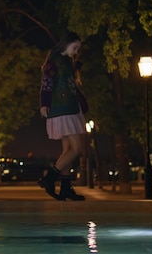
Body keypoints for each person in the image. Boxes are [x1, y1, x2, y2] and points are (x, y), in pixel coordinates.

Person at [37, 31, 87, 201]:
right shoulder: (54, 61)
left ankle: (66, 188)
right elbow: (46, 82)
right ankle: (49, 178)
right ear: (66, 43)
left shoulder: (67, 61)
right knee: (76, 149)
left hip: (70, 107)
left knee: (67, 150)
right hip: (62, 108)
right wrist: (44, 103)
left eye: (78, 48)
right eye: (75, 47)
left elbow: (69, 83)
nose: (76, 51)